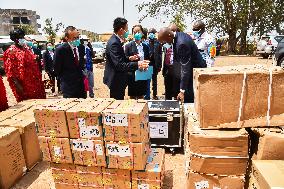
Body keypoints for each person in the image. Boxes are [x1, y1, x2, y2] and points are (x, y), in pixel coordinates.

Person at [103, 17, 149, 100]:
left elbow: (120, 59)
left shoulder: (116, 40)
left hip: (121, 78)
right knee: (117, 102)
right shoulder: (114, 43)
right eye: (127, 29)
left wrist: (129, 58)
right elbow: (119, 65)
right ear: (121, 30)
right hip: (116, 79)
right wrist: (138, 63)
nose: (127, 32)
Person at [158, 27, 207, 103]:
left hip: (195, 71)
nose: (165, 44)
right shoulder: (178, 36)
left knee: (188, 97)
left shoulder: (181, 43)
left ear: (169, 36)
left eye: (164, 42)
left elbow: (185, 68)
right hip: (190, 70)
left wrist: (182, 90)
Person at [3, 28, 46, 102]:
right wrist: (19, 87)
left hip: (36, 84)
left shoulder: (26, 49)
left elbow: (32, 61)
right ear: (15, 39)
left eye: (23, 37)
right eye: (20, 37)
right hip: (25, 87)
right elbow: (11, 73)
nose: (23, 39)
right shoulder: (11, 52)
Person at [54, 26, 86, 98]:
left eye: (78, 37)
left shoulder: (81, 47)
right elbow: (57, 69)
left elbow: (81, 63)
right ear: (67, 38)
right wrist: (65, 79)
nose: (77, 40)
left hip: (81, 86)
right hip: (69, 87)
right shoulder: (60, 50)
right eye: (74, 38)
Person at [124, 25, 150, 99]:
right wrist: (130, 58)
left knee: (141, 95)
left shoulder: (145, 46)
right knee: (133, 96)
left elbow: (148, 58)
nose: (137, 34)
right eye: (135, 32)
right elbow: (125, 60)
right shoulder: (128, 46)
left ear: (142, 33)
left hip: (143, 73)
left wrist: (146, 64)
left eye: (138, 32)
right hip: (132, 74)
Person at [162, 24, 180, 100]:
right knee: (168, 91)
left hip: (177, 70)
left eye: (172, 31)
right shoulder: (166, 43)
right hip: (167, 69)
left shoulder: (180, 43)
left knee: (176, 91)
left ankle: (177, 109)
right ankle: (167, 107)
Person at [147, 28, 162, 100]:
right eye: (150, 32)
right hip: (147, 65)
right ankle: (146, 96)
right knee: (146, 80)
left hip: (155, 65)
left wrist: (159, 66)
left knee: (154, 81)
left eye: (152, 32)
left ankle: (154, 95)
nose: (151, 34)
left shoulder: (158, 43)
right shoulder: (146, 43)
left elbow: (160, 55)